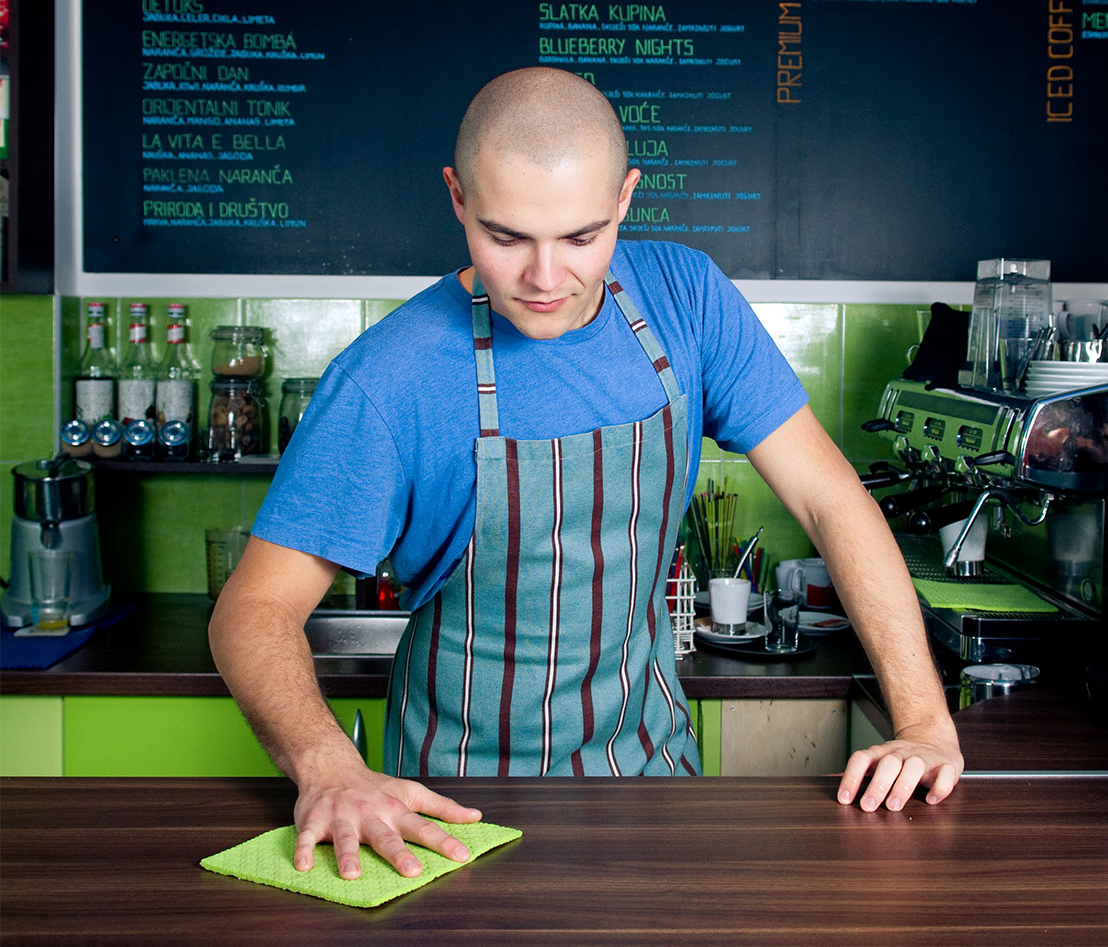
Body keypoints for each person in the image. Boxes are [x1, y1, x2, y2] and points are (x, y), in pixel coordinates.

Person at [208, 67, 963, 881]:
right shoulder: (389, 378)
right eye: (506, 237)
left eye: (581, 237)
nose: (544, 278)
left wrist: (922, 719)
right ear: (457, 197)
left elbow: (829, 499)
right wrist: (329, 767)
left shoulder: (685, 298)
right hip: (455, 814)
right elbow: (253, 610)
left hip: (655, 783)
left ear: (626, 198)